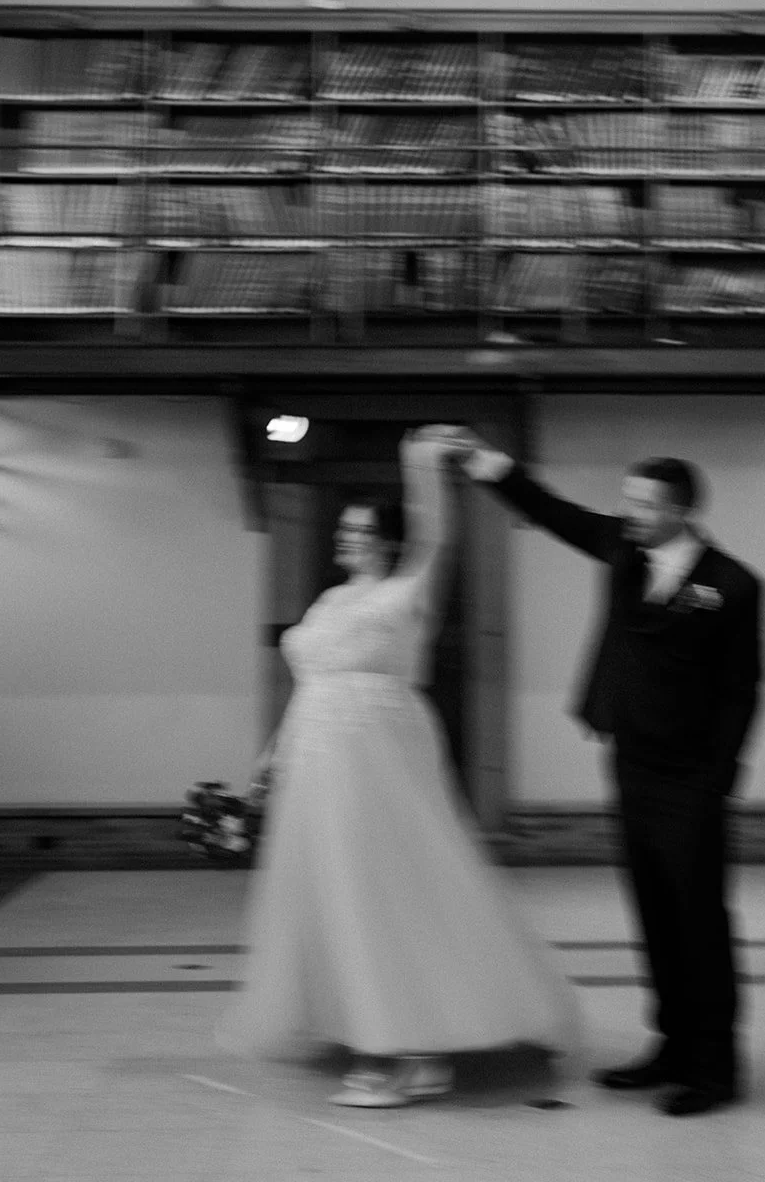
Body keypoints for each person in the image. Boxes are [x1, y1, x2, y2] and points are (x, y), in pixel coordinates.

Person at [217, 425, 582, 1108]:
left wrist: (417, 465)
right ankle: (366, 1024)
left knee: (381, 891)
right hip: (318, 762)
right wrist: (267, 765)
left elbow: (435, 536)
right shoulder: (329, 602)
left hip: (375, 762)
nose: (345, 539)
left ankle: (413, 1051)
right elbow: (309, 687)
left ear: (388, 540)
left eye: (359, 531)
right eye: (344, 530)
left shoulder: (409, 592)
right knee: (334, 897)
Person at [454, 429, 765, 1118]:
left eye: (645, 504)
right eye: (627, 500)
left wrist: (717, 781)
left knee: (698, 921)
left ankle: (715, 1068)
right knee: (653, 912)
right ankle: (671, 1047)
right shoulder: (623, 551)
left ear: (681, 511)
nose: (630, 513)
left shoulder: (733, 585)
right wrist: (492, 469)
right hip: (630, 763)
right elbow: (557, 513)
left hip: (690, 779)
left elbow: (744, 690)